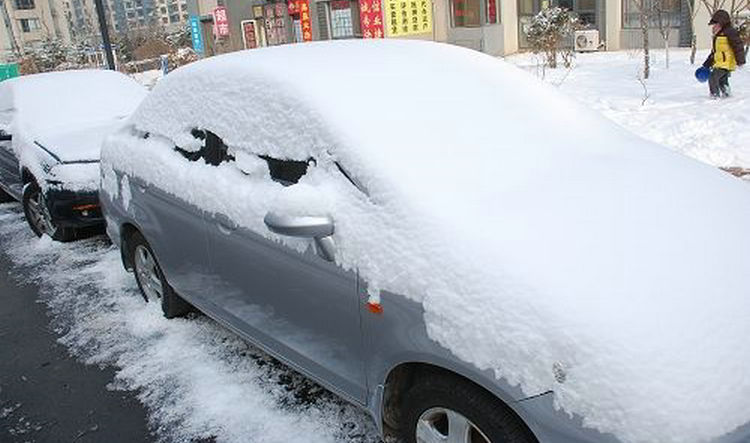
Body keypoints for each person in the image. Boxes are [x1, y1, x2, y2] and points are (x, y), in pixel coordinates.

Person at [703, 9, 746, 98]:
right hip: (721, 63)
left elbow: (738, 46)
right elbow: (715, 52)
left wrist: (740, 61)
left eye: (716, 25)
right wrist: (707, 64)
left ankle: (714, 95)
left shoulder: (730, 32)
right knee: (722, 80)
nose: (714, 27)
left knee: (713, 78)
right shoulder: (719, 36)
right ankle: (726, 93)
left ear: (722, 23)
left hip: (725, 63)